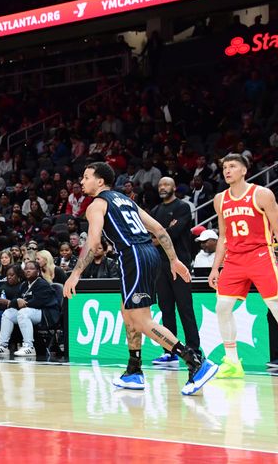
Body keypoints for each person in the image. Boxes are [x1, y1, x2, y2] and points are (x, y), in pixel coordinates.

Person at [63, 162, 217, 396]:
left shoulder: (97, 205)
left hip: (133, 255)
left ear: (100, 181)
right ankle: (134, 370)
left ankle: (195, 362)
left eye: (86, 177)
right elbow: (160, 230)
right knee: (128, 313)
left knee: (142, 320)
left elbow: (93, 244)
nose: (81, 182)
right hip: (148, 254)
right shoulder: (127, 201)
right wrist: (174, 260)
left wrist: (74, 275)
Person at [209, 153, 278, 379]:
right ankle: (232, 361)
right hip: (234, 259)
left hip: (260, 255)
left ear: (244, 170)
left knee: (275, 305)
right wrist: (214, 267)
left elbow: (277, 227)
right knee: (222, 307)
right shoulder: (220, 199)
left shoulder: (262, 194)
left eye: (232, 166)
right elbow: (222, 237)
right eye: (224, 167)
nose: (227, 170)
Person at [149, 176, 201, 365]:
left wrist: (159, 234)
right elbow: (152, 236)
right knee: (166, 309)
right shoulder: (155, 210)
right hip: (159, 265)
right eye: (160, 184)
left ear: (174, 187)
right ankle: (169, 351)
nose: (162, 187)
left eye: (166, 184)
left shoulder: (182, 207)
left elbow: (174, 233)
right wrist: (161, 233)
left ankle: (194, 349)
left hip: (180, 263)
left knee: (185, 308)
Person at [0, 261, 60, 357]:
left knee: (23, 312)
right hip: (32, 312)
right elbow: (15, 300)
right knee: (8, 313)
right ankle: (3, 346)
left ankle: (29, 347)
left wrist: (23, 303)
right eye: (26, 269)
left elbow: (37, 303)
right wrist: (17, 301)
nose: (28, 271)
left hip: (47, 314)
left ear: (38, 271)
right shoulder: (24, 285)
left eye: (31, 269)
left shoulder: (43, 284)